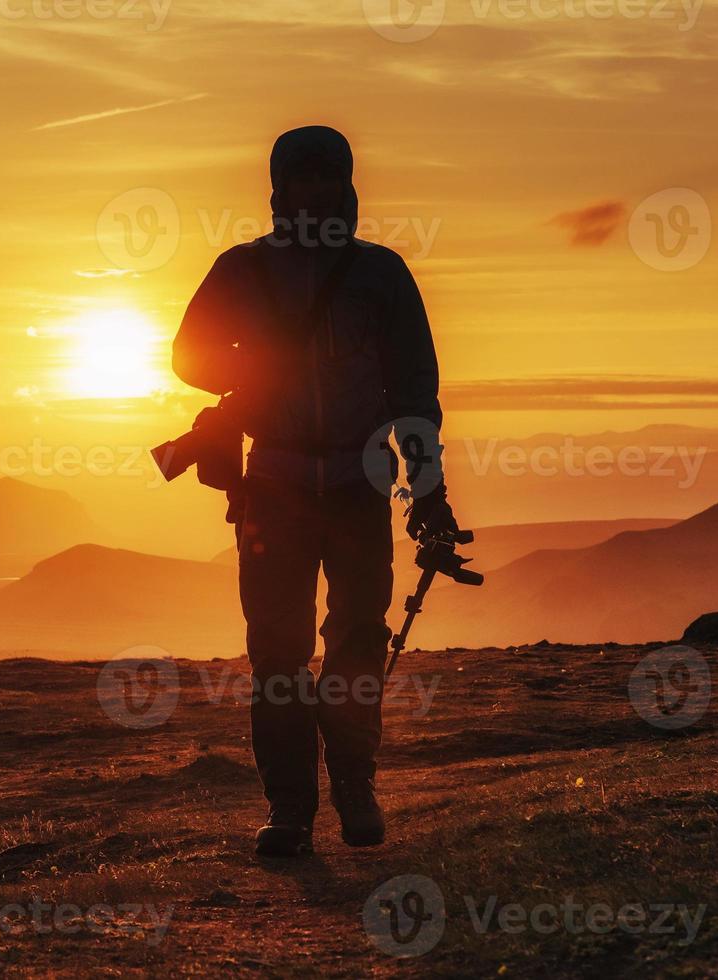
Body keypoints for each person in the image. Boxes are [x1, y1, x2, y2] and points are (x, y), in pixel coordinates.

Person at [171, 125, 457, 857]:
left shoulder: (381, 274)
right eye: (304, 179)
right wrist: (255, 365)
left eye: (329, 178)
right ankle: (292, 809)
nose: (317, 191)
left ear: (347, 184)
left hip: (359, 485)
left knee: (357, 641)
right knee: (277, 651)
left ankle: (353, 787)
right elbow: (188, 357)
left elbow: (413, 393)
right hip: (274, 484)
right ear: (280, 188)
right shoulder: (243, 269)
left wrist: (428, 491)